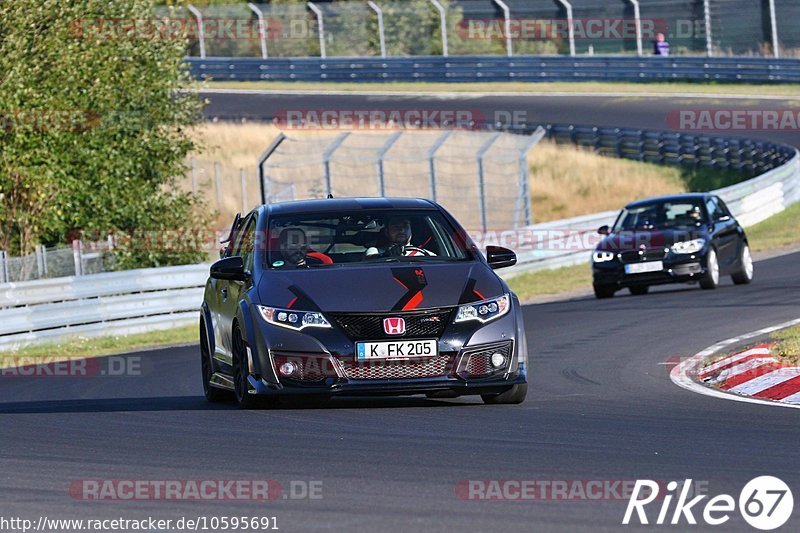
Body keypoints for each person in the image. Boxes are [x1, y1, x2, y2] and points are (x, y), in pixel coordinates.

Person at [365, 216, 435, 258]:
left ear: (411, 230)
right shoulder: (376, 251)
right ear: (386, 232)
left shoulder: (425, 254)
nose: (402, 230)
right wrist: (386, 255)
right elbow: (369, 259)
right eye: (395, 226)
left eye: (405, 225)